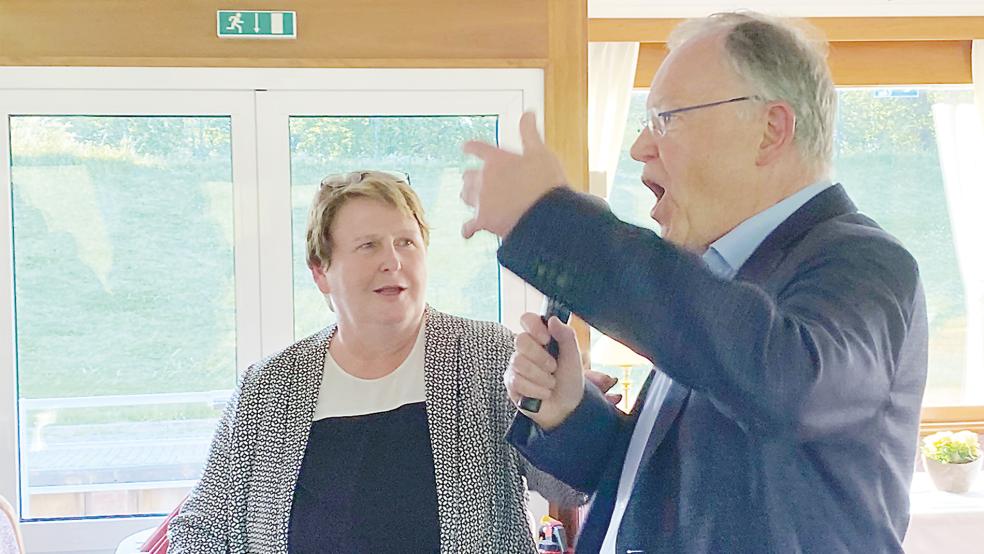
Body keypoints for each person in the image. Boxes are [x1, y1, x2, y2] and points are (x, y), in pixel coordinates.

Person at [459, 12, 928, 554]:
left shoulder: (862, 261)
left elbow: (786, 385)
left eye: (665, 119)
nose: (639, 148)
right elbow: (660, 480)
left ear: (770, 130)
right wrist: (570, 409)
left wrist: (555, 222)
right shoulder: (719, 279)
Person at [168, 170, 590, 553]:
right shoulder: (269, 386)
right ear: (321, 271)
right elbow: (202, 530)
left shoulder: (492, 356)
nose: (393, 261)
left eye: (406, 242)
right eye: (368, 245)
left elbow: (572, 489)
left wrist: (566, 416)